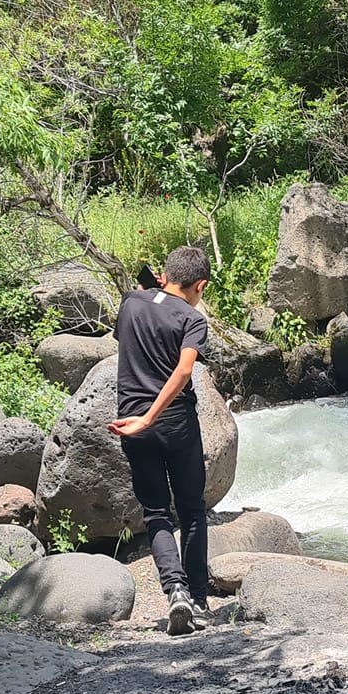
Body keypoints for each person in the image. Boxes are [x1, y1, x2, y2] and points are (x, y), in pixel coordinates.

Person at [109, 245, 213, 635]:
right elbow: (184, 371)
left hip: (131, 421)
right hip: (174, 423)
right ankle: (199, 601)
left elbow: (143, 304)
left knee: (155, 513)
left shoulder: (131, 303)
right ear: (200, 284)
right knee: (192, 511)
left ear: (166, 275)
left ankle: (175, 592)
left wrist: (140, 420)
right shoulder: (192, 318)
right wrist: (153, 415)